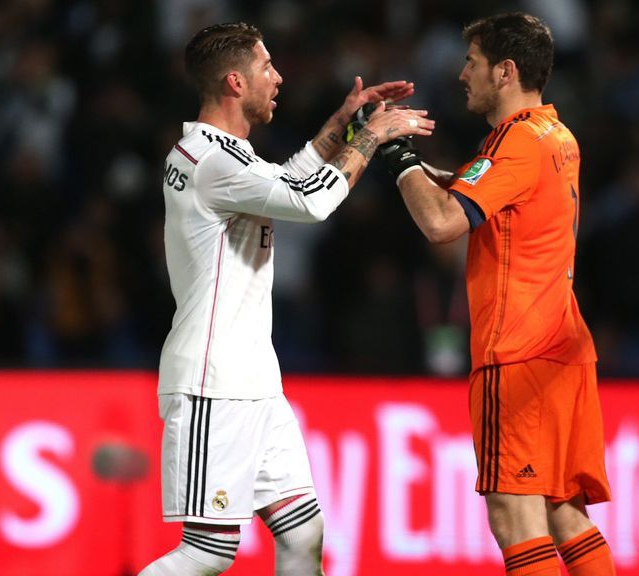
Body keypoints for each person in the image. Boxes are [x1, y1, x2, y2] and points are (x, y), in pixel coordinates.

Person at [139, 22, 433, 576]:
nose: (278, 77)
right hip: (214, 380)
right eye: (266, 67)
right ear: (234, 82)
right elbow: (312, 202)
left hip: (254, 380)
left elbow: (284, 181)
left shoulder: (218, 151)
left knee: (302, 532)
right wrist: (372, 138)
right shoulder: (212, 162)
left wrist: (342, 125)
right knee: (207, 553)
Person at [379, 13, 615, 576]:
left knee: (514, 518)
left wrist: (398, 158)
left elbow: (441, 225)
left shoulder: (513, 144)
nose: (462, 74)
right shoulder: (554, 135)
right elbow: (492, 195)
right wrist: (434, 174)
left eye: (473, 62)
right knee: (564, 513)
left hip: (517, 351)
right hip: (564, 348)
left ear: (505, 71)